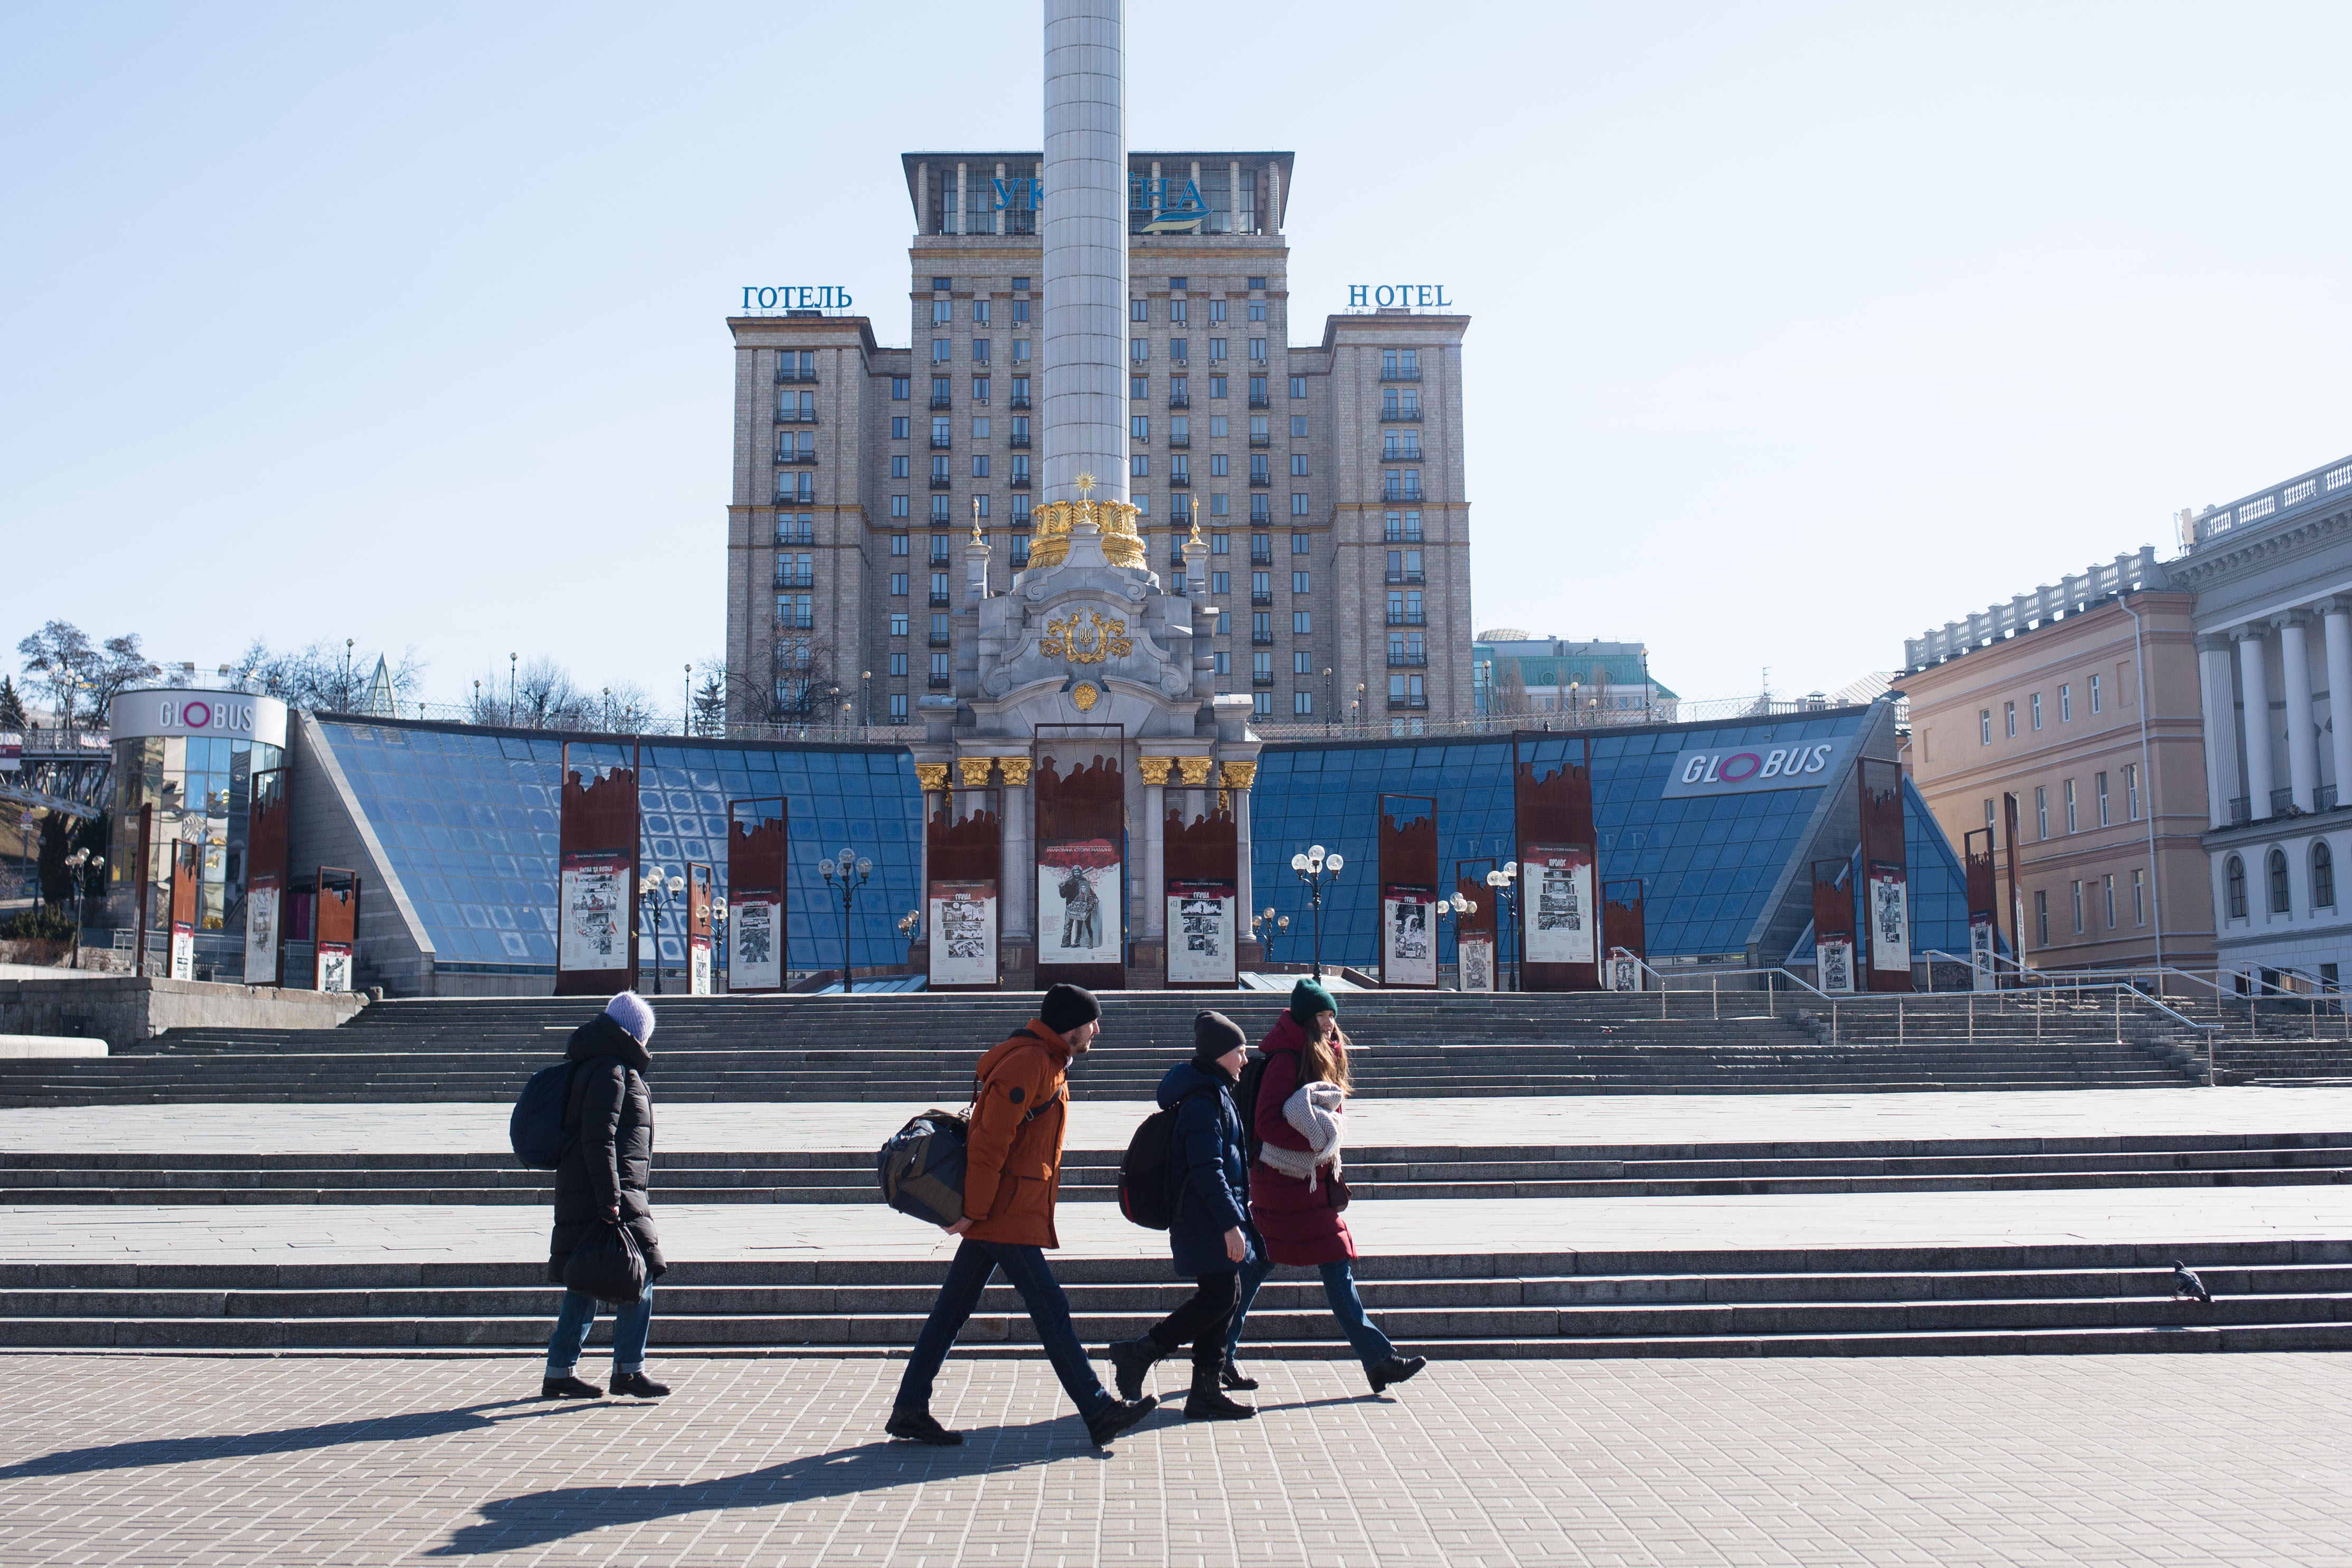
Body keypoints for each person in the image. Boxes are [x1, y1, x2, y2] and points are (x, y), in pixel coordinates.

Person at [886, 983, 1158, 1448]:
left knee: (952, 1308)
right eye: (1092, 1021)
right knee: (1050, 1308)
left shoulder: (1047, 1060)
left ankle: (910, 1407)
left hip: (1004, 1205)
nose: (1098, 1029)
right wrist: (971, 1212)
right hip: (1001, 1210)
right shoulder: (1031, 1062)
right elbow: (990, 1141)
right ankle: (1097, 1409)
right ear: (1072, 1027)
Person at [1225, 977, 1425, 1396]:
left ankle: (1218, 1353)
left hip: (1304, 1183)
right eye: (1322, 1015)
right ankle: (1377, 1359)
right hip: (1283, 1183)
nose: (1330, 1023)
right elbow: (1266, 1124)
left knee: (1263, 1265)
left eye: (1332, 1015)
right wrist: (1318, 1140)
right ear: (1305, 1019)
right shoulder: (1285, 1058)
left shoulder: (1322, 1053)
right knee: (1325, 1264)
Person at [1104, 1010, 1258, 1421]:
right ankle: (1141, 1352)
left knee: (1224, 1295)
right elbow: (1207, 1168)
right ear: (1221, 1054)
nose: (1245, 1060)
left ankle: (1203, 1389)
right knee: (1222, 1296)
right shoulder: (1203, 1102)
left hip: (1206, 1214)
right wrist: (1230, 1224)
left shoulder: (1214, 1092)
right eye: (1240, 1052)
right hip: (1203, 1217)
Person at [542, 990, 669, 1400]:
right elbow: (600, 1138)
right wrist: (611, 1197)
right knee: (641, 1271)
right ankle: (628, 1370)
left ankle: (559, 1370)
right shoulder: (611, 1069)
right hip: (612, 1190)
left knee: (587, 1277)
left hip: (600, 1188)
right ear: (634, 1034)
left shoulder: (599, 1063)